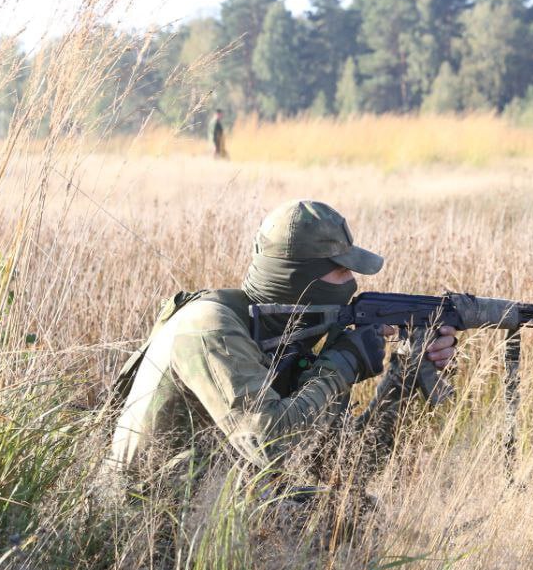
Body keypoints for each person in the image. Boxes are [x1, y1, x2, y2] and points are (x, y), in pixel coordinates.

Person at [104, 200, 457, 493]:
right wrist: (341, 366)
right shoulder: (209, 326)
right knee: (344, 518)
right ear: (298, 278)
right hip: (143, 519)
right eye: (340, 271)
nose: (352, 283)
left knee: (353, 511)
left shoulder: (291, 338)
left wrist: (404, 377)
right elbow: (268, 445)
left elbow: (348, 468)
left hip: (211, 497)